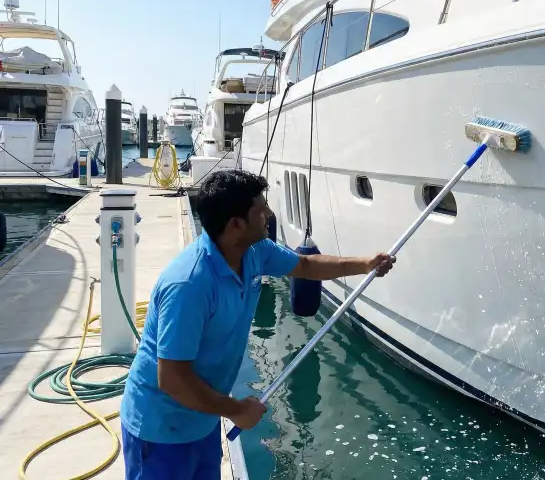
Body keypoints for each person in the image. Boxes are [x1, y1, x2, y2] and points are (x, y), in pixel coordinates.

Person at [119, 169, 395, 480]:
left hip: (202, 421)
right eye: (260, 209)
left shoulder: (254, 251)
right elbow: (172, 378)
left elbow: (304, 265)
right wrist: (235, 410)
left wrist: (365, 265)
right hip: (160, 431)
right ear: (236, 224)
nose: (268, 214)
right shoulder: (189, 285)